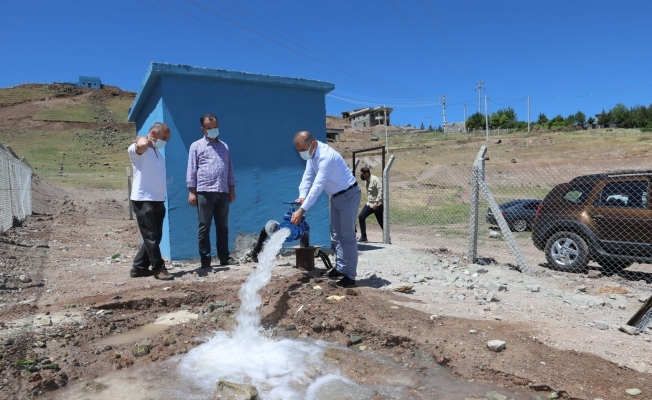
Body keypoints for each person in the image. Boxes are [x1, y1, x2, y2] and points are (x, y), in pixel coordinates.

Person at [291, 131, 361, 288]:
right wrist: (302, 196)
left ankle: (351, 276)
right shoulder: (312, 155)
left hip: (348, 194)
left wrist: (302, 210)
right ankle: (340, 268)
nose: (302, 153)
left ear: (313, 143)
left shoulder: (326, 157)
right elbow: (308, 177)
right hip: (335, 196)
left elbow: (317, 185)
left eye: (303, 150)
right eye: (299, 151)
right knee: (336, 235)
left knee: (348, 236)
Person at [186, 113, 239, 269]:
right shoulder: (196, 146)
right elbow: (191, 170)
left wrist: (231, 190)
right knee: (204, 226)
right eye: (210, 128)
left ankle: (224, 257)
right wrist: (192, 191)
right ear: (203, 129)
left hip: (222, 192)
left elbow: (229, 169)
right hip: (204, 192)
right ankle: (205, 260)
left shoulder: (224, 146)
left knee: (222, 227)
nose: (213, 130)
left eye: (215, 127)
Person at [128, 122, 174, 281]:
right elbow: (141, 144)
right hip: (143, 200)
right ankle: (158, 268)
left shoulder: (157, 153)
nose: (165, 142)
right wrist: (143, 137)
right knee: (151, 236)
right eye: (164, 138)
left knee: (155, 236)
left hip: (157, 200)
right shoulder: (137, 150)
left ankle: (139, 267)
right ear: (153, 133)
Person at [357, 167, 383, 243]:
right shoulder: (366, 180)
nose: (361, 176)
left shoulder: (375, 179)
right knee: (361, 216)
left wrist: (377, 202)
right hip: (370, 204)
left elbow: (380, 190)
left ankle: (387, 238)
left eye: (362, 174)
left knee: (381, 222)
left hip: (377, 204)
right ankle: (364, 237)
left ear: (367, 174)